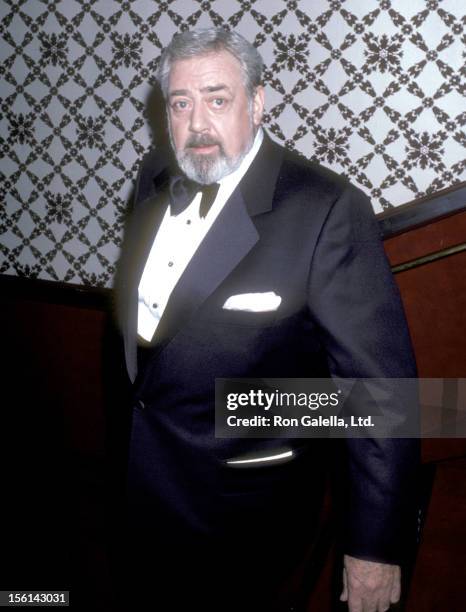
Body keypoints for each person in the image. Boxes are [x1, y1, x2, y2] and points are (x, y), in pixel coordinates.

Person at [114, 27, 419, 612]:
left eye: (217, 98)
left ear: (257, 102)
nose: (197, 123)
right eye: (181, 103)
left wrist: (374, 548)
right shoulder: (154, 178)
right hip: (141, 499)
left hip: (250, 524)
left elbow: (380, 393)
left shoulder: (326, 210)